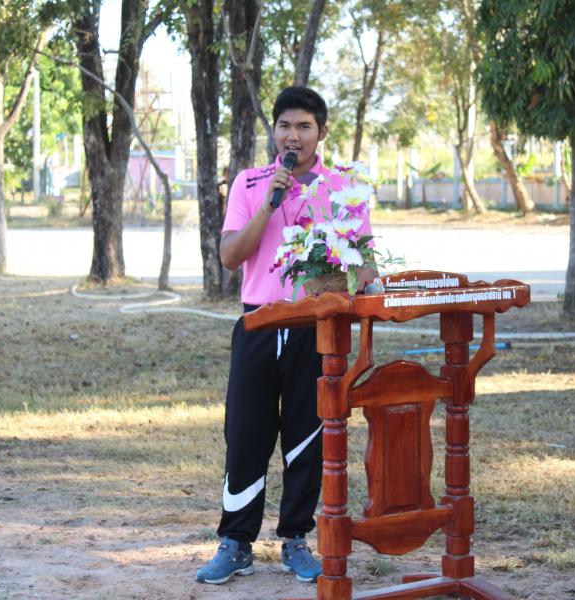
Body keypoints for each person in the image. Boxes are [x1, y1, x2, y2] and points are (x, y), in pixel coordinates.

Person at [196, 87, 376, 585]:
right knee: (245, 436)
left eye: (304, 127)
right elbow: (230, 256)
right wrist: (268, 205)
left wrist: (359, 281)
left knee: (307, 438)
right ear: (273, 131)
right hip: (258, 324)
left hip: (314, 330)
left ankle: (296, 539)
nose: (292, 136)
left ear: (321, 133)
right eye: (284, 126)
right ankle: (236, 543)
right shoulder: (250, 183)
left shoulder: (341, 188)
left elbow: (365, 262)